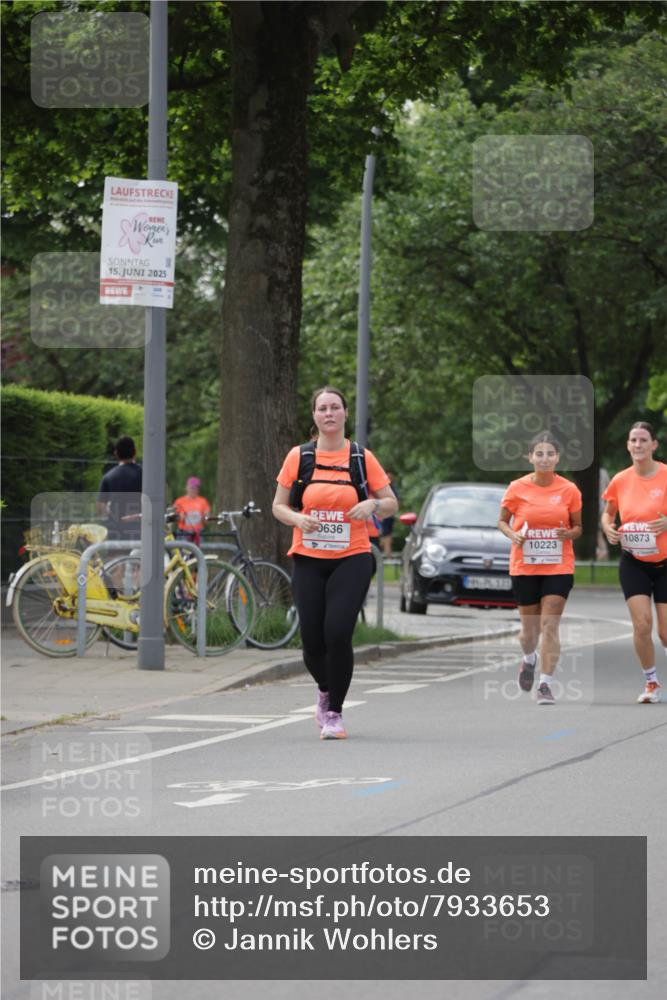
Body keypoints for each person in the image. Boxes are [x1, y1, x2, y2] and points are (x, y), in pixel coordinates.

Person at [272, 386, 398, 739]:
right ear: (314, 416)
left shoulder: (361, 457)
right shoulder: (299, 457)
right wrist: (297, 520)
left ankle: (334, 714)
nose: (329, 413)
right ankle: (326, 688)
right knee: (312, 641)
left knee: (338, 633)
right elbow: (278, 506)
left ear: (345, 413)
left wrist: (372, 505)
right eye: (322, 408)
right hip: (309, 557)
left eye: (335, 407)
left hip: (352, 556)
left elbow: (390, 502)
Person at [498, 431, 582, 705]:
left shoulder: (569, 490)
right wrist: (514, 536)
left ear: (557, 457)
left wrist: (567, 534)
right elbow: (502, 522)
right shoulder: (516, 488)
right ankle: (528, 658)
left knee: (550, 625)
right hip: (525, 566)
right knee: (529, 632)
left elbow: (578, 527)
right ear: (530, 457)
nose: (545, 459)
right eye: (539, 454)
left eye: (550, 454)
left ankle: (545, 684)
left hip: (559, 565)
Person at [601, 421, 667, 704]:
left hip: (665, 562)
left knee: (665, 633)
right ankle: (651, 683)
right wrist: (608, 528)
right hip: (634, 561)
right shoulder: (620, 480)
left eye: (643, 440)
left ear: (654, 445)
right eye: (633, 440)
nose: (638, 445)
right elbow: (608, 513)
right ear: (628, 445)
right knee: (642, 625)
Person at [96, 435, 143, 540]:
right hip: (142, 529)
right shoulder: (146, 475)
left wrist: (111, 516)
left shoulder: (108, 477)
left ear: (116, 454)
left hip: (116, 531)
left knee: (117, 556)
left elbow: (100, 507)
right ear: (135, 452)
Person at [173, 477, 211, 546]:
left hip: (198, 533)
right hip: (183, 533)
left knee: (198, 553)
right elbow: (174, 518)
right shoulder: (179, 501)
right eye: (191, 488)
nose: (193, 490)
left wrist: (205, 517)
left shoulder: (203, 501)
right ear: (187, 488)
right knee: (183, 553)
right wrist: (180, 517)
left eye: (196, 488)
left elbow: (207, 520)